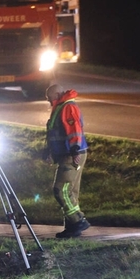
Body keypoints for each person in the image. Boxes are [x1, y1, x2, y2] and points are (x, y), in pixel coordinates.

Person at [44, 84, 91, 239]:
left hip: (72, 154)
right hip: (68, 153)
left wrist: (75, 149)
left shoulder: (67, 107)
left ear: (56, 94)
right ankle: (72, 228)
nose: (49, 101)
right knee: (71, 192)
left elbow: (74, 130)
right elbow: (55, 133)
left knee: (60, 189)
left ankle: (78, 220)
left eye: (49, 97)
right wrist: (50, 152)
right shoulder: (60, 107)